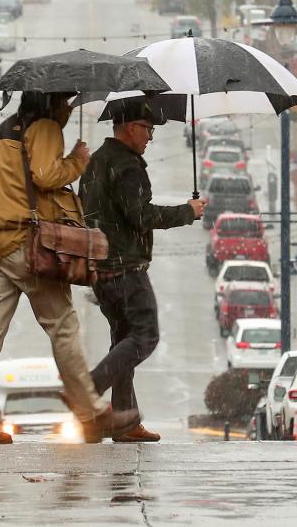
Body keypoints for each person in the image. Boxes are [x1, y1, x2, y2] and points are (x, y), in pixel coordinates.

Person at [0, 91, 139, 447]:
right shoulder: (44, 126)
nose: (69, 110)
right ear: (52, 103)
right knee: (64, 325)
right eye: (66, 103)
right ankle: (92, 414)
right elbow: (45, 174)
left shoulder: (3, 133)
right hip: (26, 244)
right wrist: (76, 161)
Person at [81, 97, 205, 443]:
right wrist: (188, 211)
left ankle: (122, 420)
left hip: (101, 268)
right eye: (148, 129)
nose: (150, 137)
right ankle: (89, 389)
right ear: (130, 127)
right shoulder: (128, 165)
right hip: (125, 267)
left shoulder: (95, 161)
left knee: (123, 339)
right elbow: (141, 216)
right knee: (145, 336)